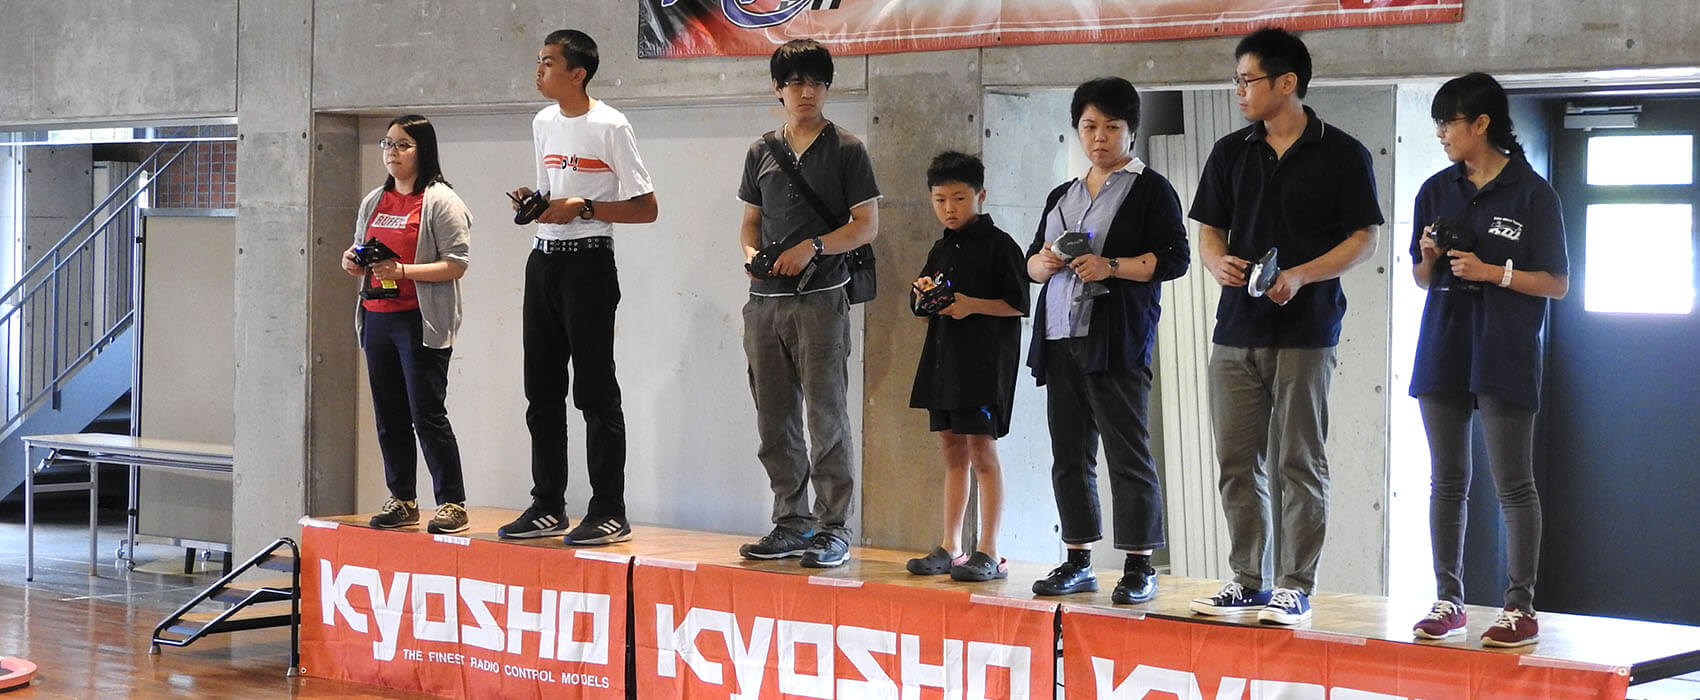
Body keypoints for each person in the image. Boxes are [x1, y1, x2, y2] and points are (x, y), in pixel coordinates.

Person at [1188, 27, 1383, 625]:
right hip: (1234, 330)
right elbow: (1210, 229)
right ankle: (1247, 579)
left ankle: (1294, 585)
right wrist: (1216, 260)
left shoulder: (1342, 152)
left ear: (1286, 82)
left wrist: (1300, 275)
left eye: (1247, 80)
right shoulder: (1230, 151)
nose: (1239, 91)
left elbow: (1365, 239)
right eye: (1237, 80)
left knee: (1298, 462)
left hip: (1306, 331)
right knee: (1236, 461)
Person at [1407, 72, 1566, 648]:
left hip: (1505, 346)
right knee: (1447, 480)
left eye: (1448, 122)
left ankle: (1519, 607)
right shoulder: (1435, 189)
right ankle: (1448, 600)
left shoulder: (1533, 193)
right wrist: (1430, 257)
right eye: (1437, 124)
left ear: (1480, 123)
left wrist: (1492, 272)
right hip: (1444, 342)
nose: (1441, 134)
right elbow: (1421, 276)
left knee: (1513, 483)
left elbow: (1557, 283)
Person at [1025, 77, 1190, 604]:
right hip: (1059, 335)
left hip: (1116, 337)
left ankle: (1140, 565)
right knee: (1069, 453)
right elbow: (1031, 266)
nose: (1099, 137)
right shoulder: (1063, 195)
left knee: (1127, 452)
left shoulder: (1151, 189)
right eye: (1089, 126)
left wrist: (1110, 266)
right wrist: (1044, 261)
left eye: (1111, 127)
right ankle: (1078, 559)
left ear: (1131, 131)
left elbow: (1176, 258)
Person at [498, 29, 659, 545]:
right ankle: (547, 504)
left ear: (578, 73)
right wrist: (537, 202)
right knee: (541, 391)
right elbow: (554, 191)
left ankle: (609, 509)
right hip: (542, 261)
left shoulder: (611, 125)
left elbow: (646, 208)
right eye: (538, 60)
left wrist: (584, 208)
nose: (538, 70)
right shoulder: (543, 122)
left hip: (588, 264)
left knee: (594, 390)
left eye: (548, 62)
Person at [736, 39, 881, 569]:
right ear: (778, 88)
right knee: (773, 420)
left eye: (816, 82)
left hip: (821, 299)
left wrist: (813, 246)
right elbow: (750, 224)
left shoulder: (847, 148)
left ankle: (833, 528)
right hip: (764, 302)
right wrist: (752, 256)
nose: (806, 92)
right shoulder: (760, 151)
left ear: (827, 88)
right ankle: (791, 521)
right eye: (795, 82)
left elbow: (866, 226)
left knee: (826, 417)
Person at [343, 114, 472, 535]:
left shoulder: (440, 201)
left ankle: (451, 502)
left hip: (420, 320)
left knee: (426, 413)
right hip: (378, 317)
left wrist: (404, 271)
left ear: (423, 150)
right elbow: (362, 249)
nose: (392, 153)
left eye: (403, 145)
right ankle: (403, 499)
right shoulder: (374, 200)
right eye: (388, 144)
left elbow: (456, 264)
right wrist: (353, 260)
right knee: (389, 415)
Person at [903, 151, 1028, 583]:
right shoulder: (940, 248)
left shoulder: (1001, 245)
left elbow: (1018, 304)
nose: (949, 208)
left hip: (984, 366)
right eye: (940, 200)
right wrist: (924, 296)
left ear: (980, 196)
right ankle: (950, 545)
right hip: (944, 365)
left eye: (959, 198)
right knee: (952, 452)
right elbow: (923, 314)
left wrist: (970, 305)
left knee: (983, 453)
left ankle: (989, 550)